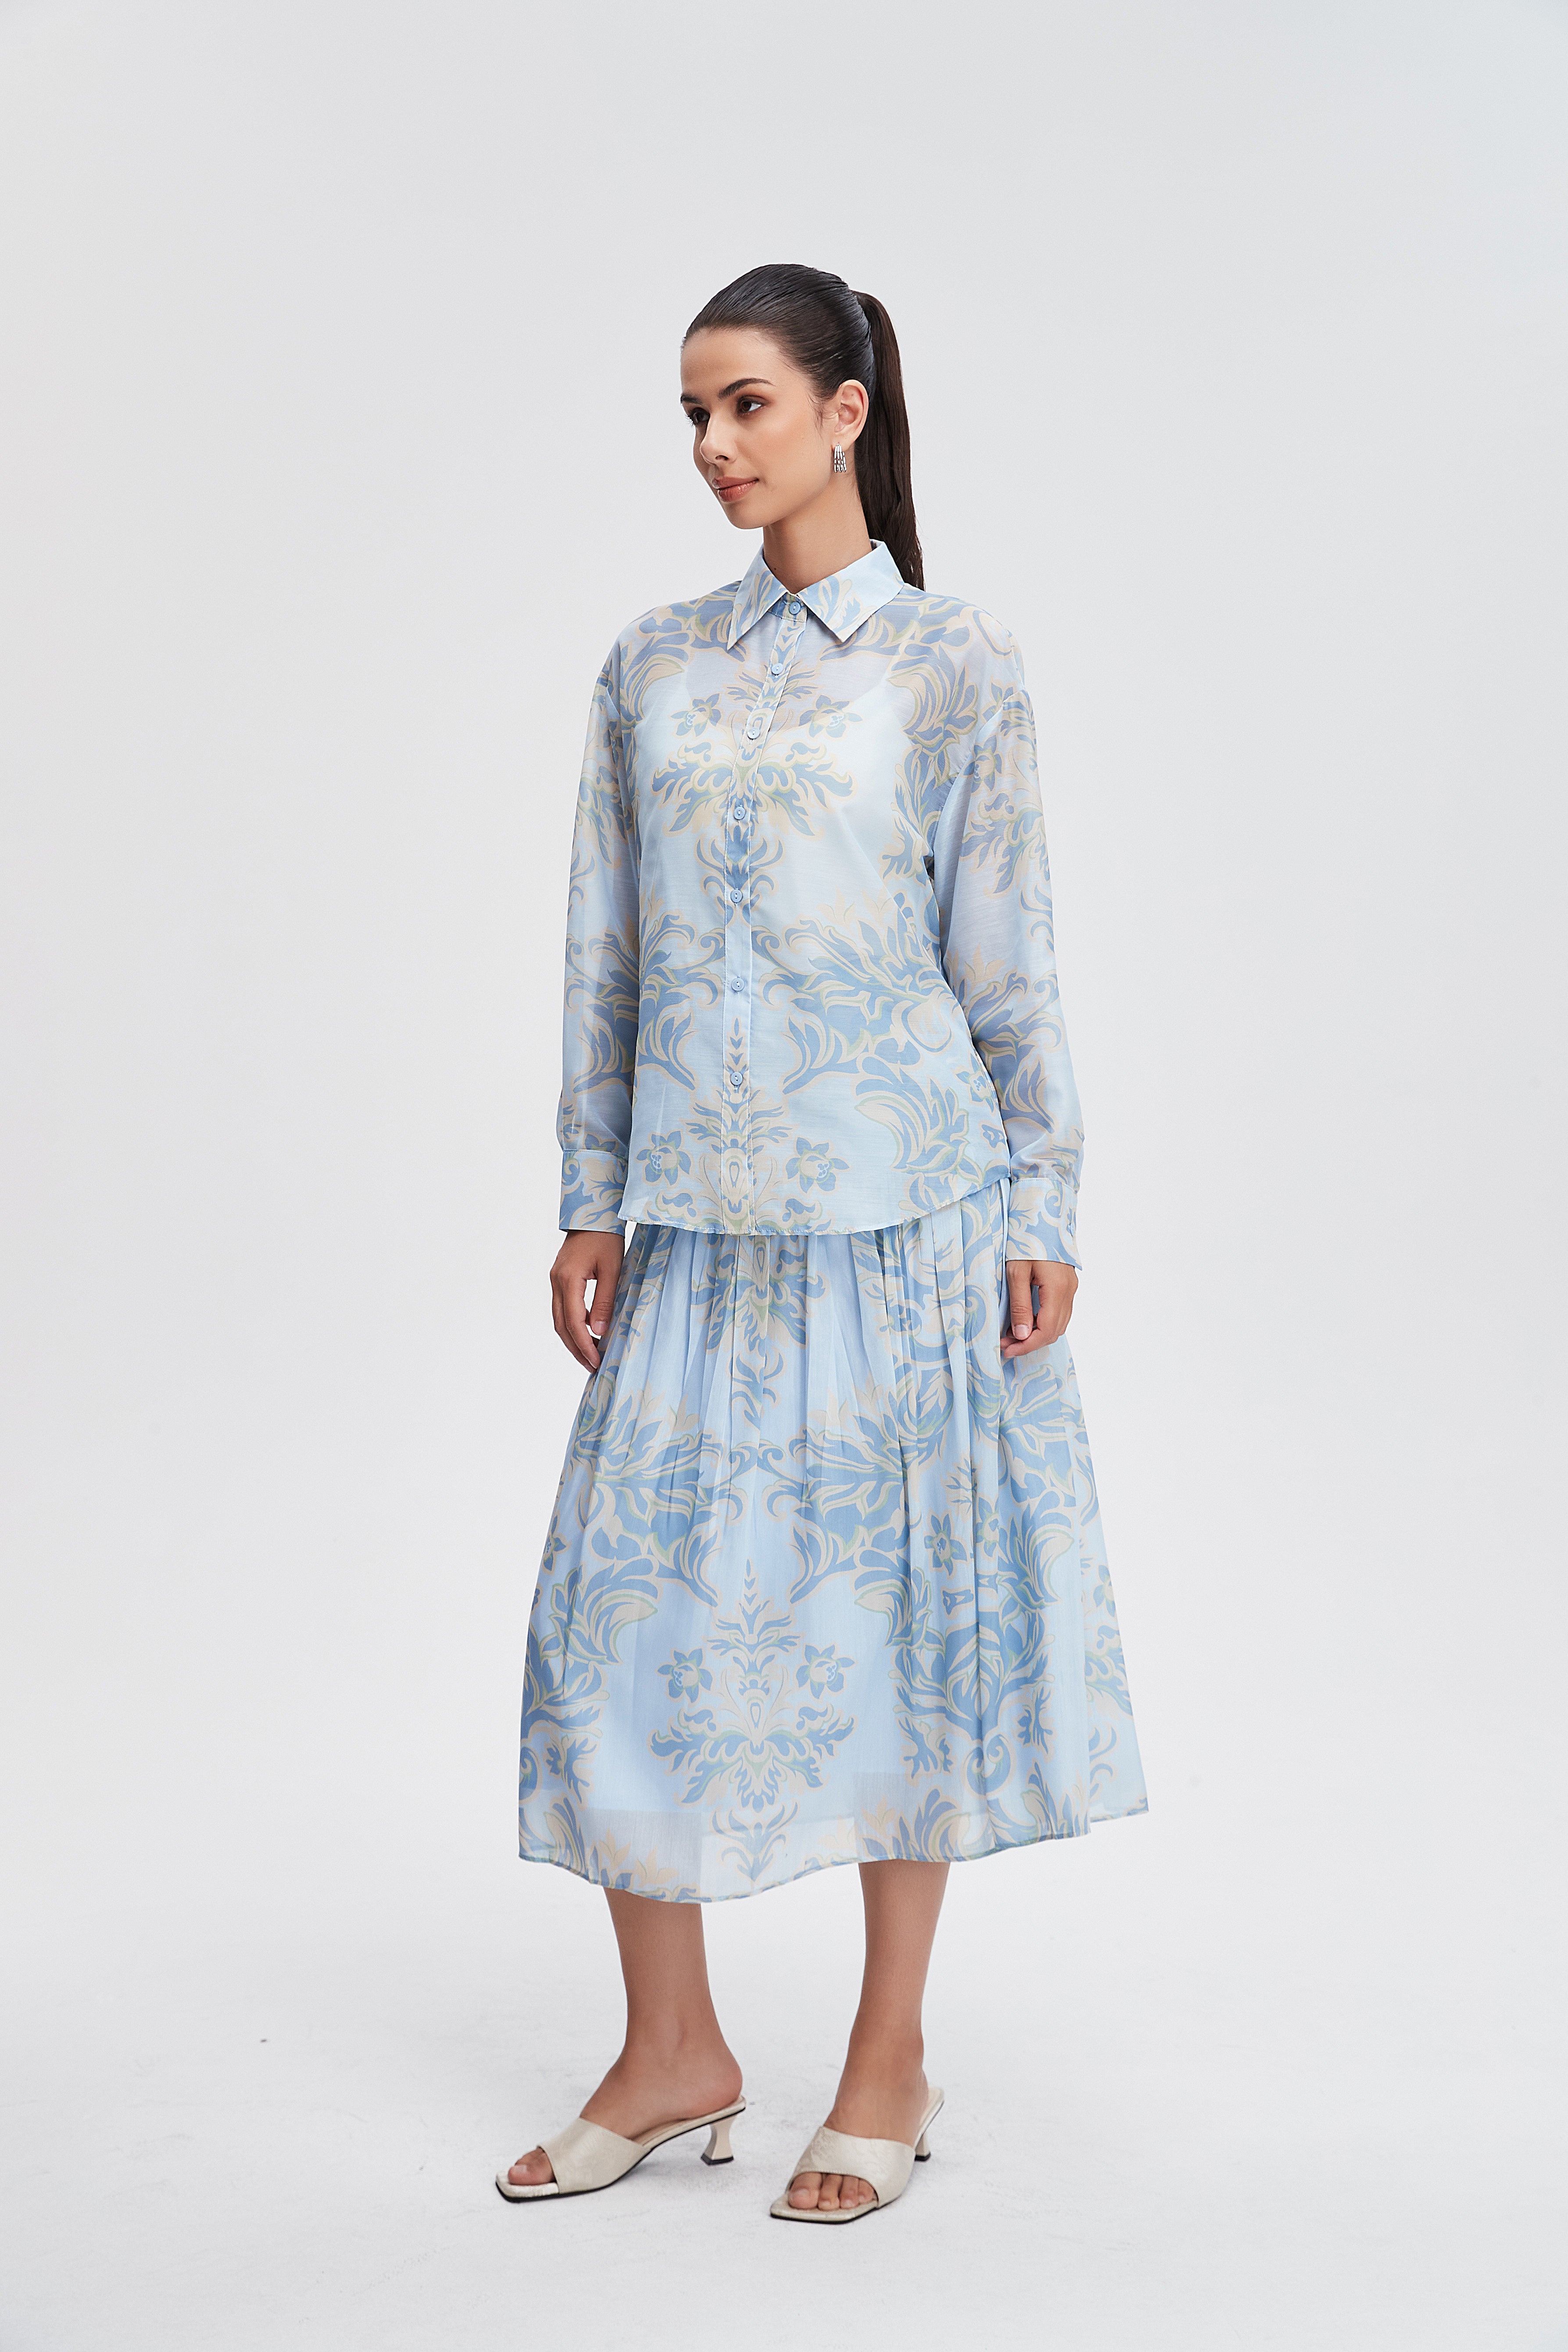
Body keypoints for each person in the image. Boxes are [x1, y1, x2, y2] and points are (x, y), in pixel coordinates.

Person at [498, 262, 1146, 2224]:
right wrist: (589, 1189)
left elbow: (1007, 953)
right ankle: (671, 2049)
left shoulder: (953, 662)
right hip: (698, 1225)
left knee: (897, 1636)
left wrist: (1043, 1196)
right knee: (619, 1631)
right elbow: (604, 944)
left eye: (748, 405)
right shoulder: (651, 662)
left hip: (905, 1223)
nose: (714, 446)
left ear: (846, 409)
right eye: (694, 416)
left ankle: (887, 2059)